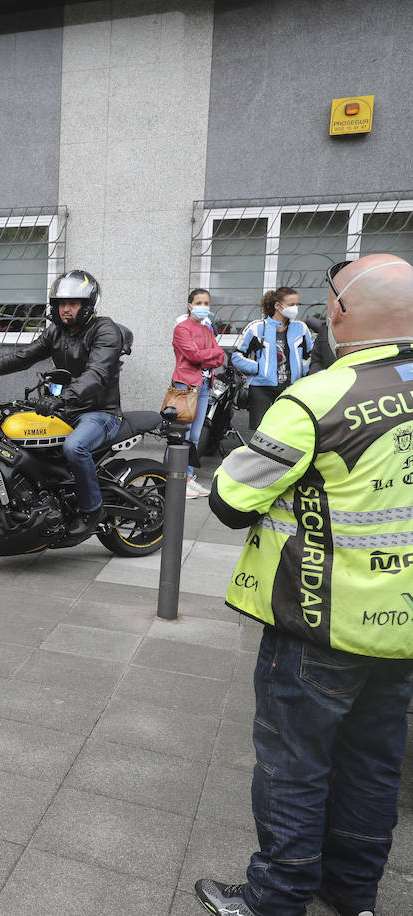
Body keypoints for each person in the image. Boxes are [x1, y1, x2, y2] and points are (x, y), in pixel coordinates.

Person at [193, 254, 413, 916]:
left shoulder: (320, 398)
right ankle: (352, 894)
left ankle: (275, 899)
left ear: (340, 313)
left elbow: (230, 499)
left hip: (320, 622)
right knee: (374, 768)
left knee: (295, 767)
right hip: (401, 626)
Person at [0, 269, 127, 539]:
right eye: (60, 304)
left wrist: (62, 398)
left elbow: (97, 374)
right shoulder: (56, 332)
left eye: (72, 304)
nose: (65, 309)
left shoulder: (105, 330)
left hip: (99, 413)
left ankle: (92, 510)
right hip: (66, 409)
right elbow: (23, 357)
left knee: (75, 447)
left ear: (87, 305)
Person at [232, 286, 315, 428]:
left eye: (297, 304)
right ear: (278, 306)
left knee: (287, 430)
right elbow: (236, 356)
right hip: (261, 388)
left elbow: (312, 354)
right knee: (259, 431)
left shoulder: (301, 328)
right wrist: (259, 368)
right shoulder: (256, 328)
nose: (295, 308)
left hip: (291, 388)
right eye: (291, 305)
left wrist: (302, 368)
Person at [172, 288, 225, 498]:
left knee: (195, 435)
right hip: (185, 384)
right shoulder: (182, 328)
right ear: (190, 305)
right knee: (180, 434)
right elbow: (193, 356)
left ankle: (187, 477)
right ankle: (173, 478)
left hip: (204, 385)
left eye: (206, 303)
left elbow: (219, 356)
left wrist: (206, 354)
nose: (203, 307)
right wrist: (207, 354)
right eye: (199, 302)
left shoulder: (207, 329)